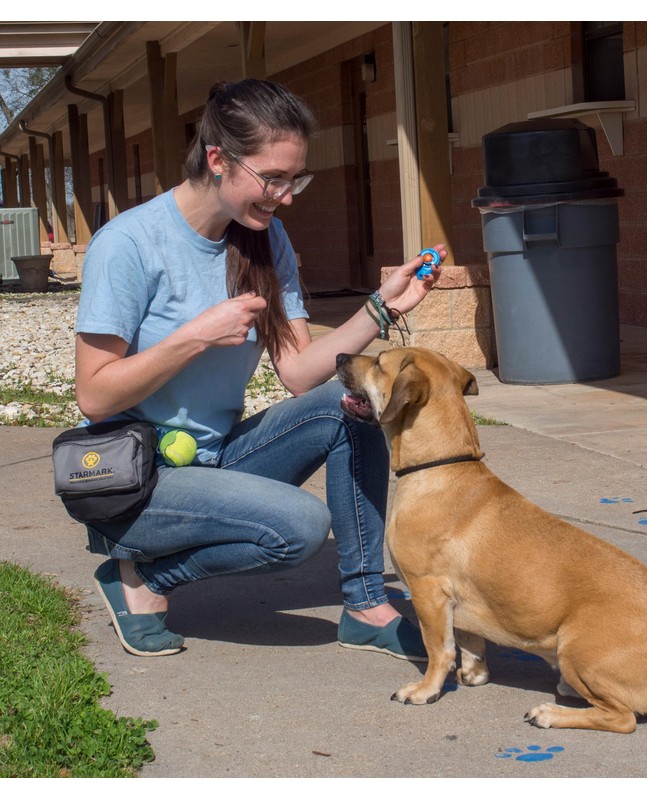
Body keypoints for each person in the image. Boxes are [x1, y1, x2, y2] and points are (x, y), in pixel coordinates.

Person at [74, 79, 444, 659]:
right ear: (218, 159)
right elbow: (94, 397)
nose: (286, 195)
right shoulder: (127, 244)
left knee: (352, 406)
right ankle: (143, 580)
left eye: (294, 179)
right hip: (138, 478)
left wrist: (381, 308)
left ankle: (367, 606)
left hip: (219, 458)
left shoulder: (264, 238)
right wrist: (194, 337)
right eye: (273, 178)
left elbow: (298, 371)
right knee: (298, 527)